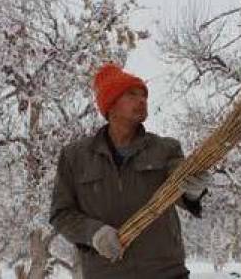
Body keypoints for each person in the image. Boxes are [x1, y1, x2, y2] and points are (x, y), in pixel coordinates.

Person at [49, 63, 213, 279]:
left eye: (144, 95)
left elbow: (181, 188)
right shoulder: (75, 157)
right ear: (111, 104)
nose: (142, 100)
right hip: (106, 273)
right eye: (131, 95)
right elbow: (62, 214)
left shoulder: (165, 149)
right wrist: (95, 234)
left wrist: (193, 189)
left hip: (165, 273)